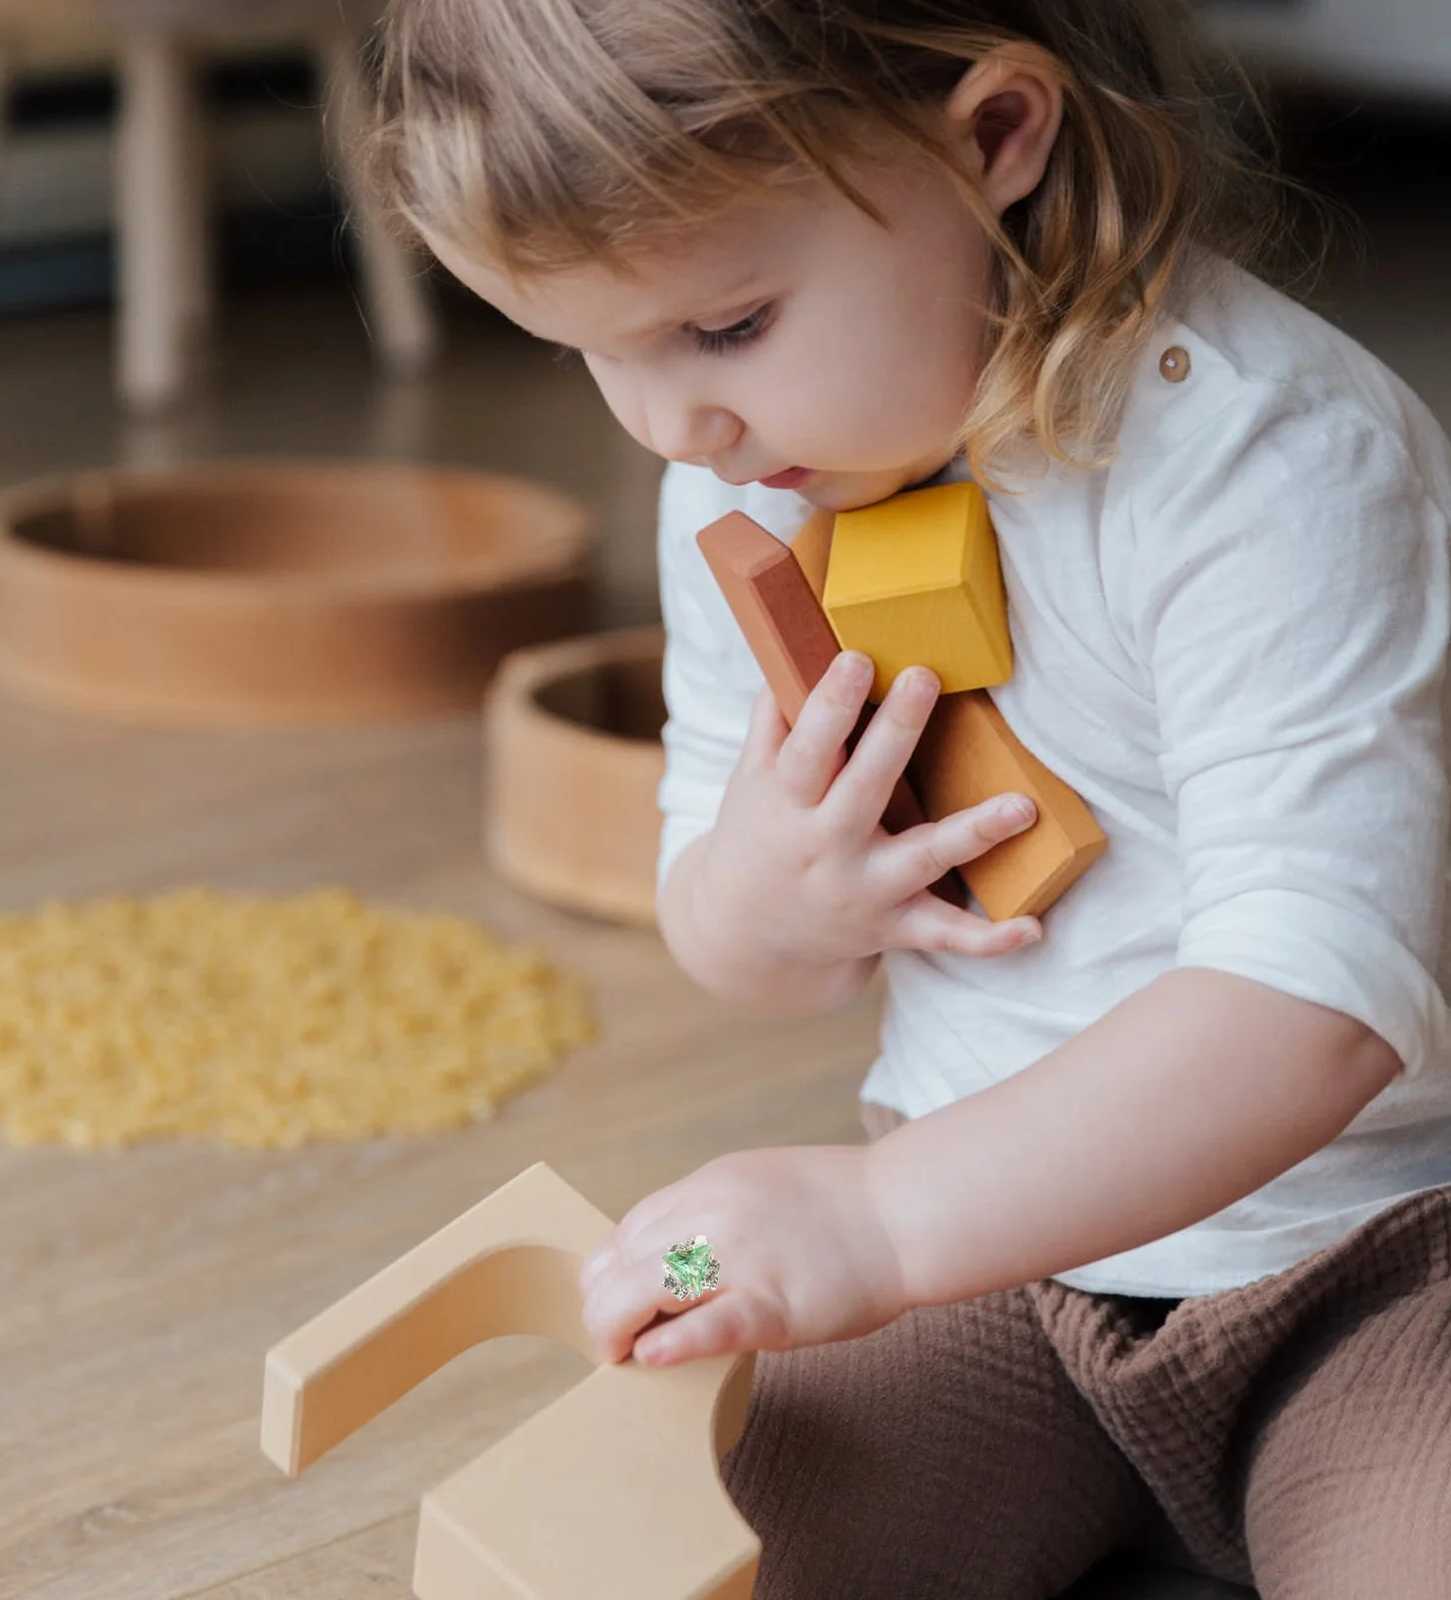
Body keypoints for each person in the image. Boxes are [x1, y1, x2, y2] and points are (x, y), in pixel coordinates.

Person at [365, 3, 1451, 1594]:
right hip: (983, 1260)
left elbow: (1314, 1004)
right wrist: (768, 896)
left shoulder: (1269, 463)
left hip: (1376, 1263)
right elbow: (728, 939)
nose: (672, 425)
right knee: (658, 1544)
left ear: (996, 137)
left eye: (725, 327)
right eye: (592, 347)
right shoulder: (742, 482)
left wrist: (877, 1223)